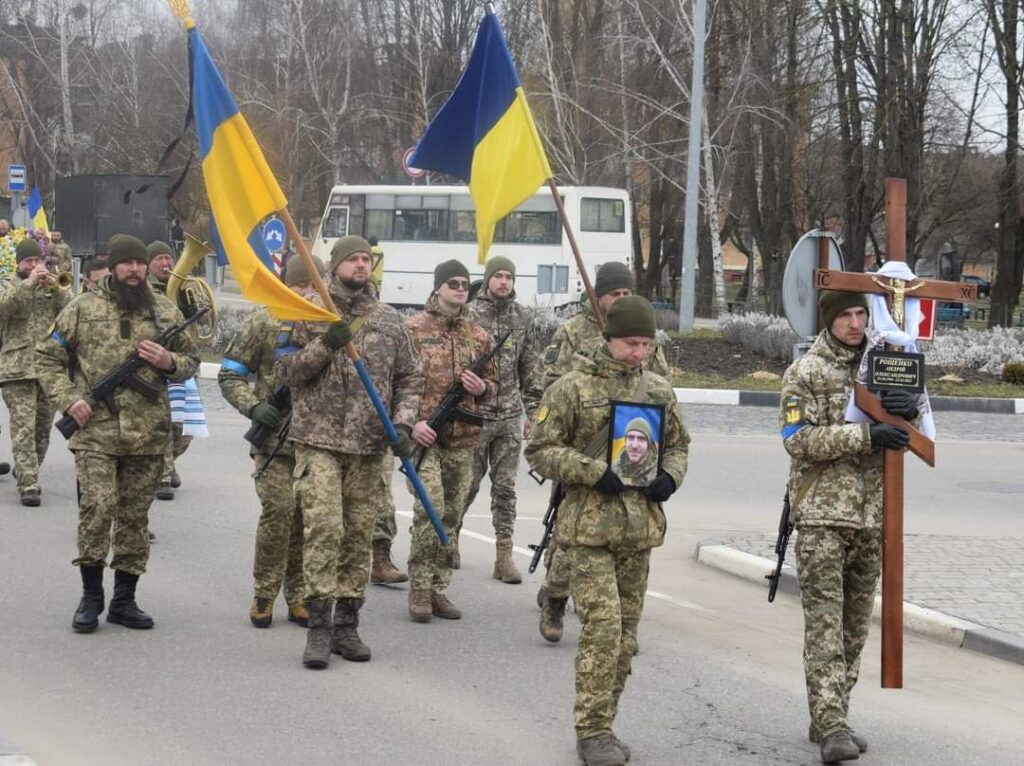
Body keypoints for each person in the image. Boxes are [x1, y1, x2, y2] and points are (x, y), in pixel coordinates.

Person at [525, 296, 689, 766]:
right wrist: (589, 469)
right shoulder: (570, 389)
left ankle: (607, 721)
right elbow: (539, 450)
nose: (638, 352)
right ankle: (592, 731)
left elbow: (677, 446)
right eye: (629, 343)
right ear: (608, 339)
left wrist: (670, 477)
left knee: (627, 636)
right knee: (603, 628)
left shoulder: (659, 392)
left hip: (639, 531)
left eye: (645, 343)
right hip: (588, 530)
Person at [35, 234, 200, 634]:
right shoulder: (82, 308)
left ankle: (125, 600)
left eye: (140, 264)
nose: (135, 270)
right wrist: (69, 399)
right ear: (112, 267)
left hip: (147, 434)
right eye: (127, 264)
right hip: (96, 431)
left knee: (134, 518)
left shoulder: (164, 312)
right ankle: (91, 596)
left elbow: (191, 361)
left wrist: (169, 360)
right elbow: (47, 357)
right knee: (97, 509)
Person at [273, 236, 422, 670]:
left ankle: (346, 624)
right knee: (324, 531)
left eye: (365, 259)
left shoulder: (391, 321)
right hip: (317, 442)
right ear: (335, 265)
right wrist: (327, 344)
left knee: (358, 536)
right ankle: (318, 628)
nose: (360, 265)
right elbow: (285, 373)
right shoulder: (307, 314)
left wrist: (405, 424)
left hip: (370, 447)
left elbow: (411, 378)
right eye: (352, 259)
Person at [780, 290, 913, 764]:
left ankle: (832, 714)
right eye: (845, 315)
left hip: (872, 518)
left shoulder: (884, 365)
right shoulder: (806, 372)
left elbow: (910, 430)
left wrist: (905, 414)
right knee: (824, 626)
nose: (855, 323)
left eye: (861, 313)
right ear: (828, 320)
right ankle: (832, 725)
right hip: (821, 517)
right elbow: (796, 438)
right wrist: (865, 434)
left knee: (854, 629)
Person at [527, 261, 674, 643]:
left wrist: (669, 472)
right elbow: (551, 388)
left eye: (627, 293)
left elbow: (665, 407)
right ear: (599, 294)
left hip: (635, 464)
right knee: (567, 537)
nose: (639, 352)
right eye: (615, 293)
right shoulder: (574, 332)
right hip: (582, 450)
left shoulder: (644, 340)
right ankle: (556, 596)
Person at [218, 257, 324, 629]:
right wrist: (254, 406)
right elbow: (230, 374)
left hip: (318, 445)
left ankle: (299, 596)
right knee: (279, 514)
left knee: (305, 522)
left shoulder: (330, 327)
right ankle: (264, 593)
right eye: (300, 285)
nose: (307, 293)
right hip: (275, 444)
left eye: (314, 285)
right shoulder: (262, 322)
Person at [404, 259, 497, 623]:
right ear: (438, 287)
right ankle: (420, 588)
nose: (461, 289)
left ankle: (439, 588)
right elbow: (395, 384)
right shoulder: (412, 329)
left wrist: (483, 387)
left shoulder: (480, 336)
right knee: (430, 512)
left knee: (453, 516)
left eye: (465, 284)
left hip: (464, 439)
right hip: (425, 438)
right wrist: (411, 424)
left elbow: (495, 388)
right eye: (454, 283)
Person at [460, 255, 539, 583]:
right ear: (488, 278)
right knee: (467, 484)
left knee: (505, 489)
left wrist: (533, 415)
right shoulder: (469, 314)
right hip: (474, 415)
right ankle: (448, 540)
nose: (504, 282)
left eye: (509, 276)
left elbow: (531, 370)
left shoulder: (523, 317)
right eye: (499, 276)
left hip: (508, 417)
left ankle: (503, 555)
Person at [0, 238, 70, 505]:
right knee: (23, 427)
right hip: (16, 367)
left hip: (47, 366)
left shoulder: (49, 286)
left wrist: (58, 289)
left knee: (42, 429)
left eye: (35, 261)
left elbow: (71, 312)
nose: (33, 265)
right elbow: (2, 308)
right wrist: (28, 284)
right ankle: (28, 484)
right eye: (28, 261)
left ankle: (29, 468)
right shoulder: (8, 283)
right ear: (19, 263)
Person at [147, 240, 194, 500]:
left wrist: (192, 308)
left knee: (184, 429)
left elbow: (201, 328)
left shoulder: (185, 287)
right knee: (162, 422)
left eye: (169, 258)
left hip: (181, 363)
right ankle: (162, 474)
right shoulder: (143, 291)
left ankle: (166, 462)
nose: (166, 264)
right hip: (156, 366)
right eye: (159, 259)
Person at [614, 417, 659, 487]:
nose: (634, 445)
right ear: (625, 441)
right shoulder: (614, 468)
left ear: (649, 444)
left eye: (641, 439)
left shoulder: (658, 472)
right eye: (631, 438)